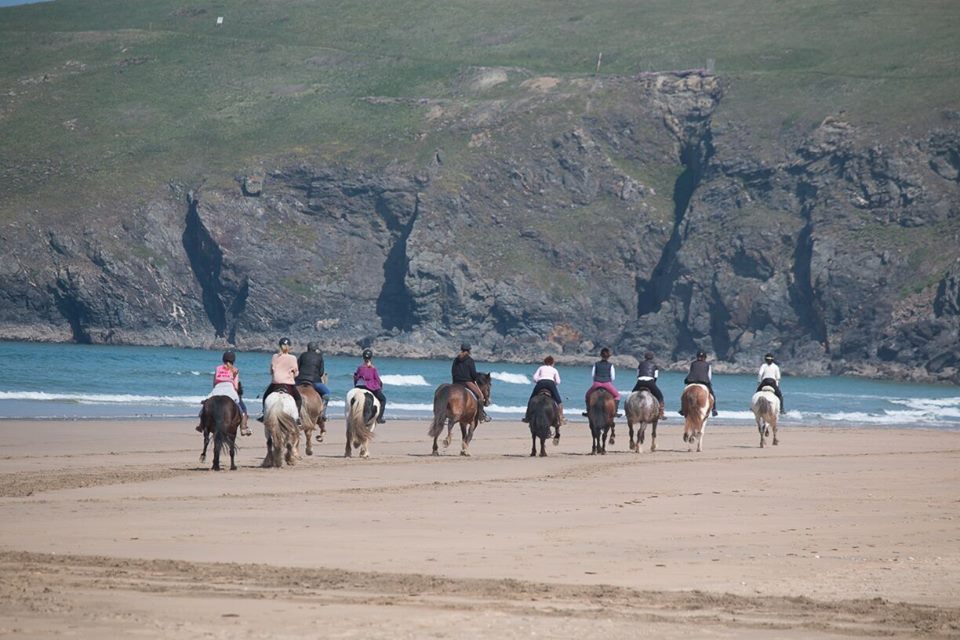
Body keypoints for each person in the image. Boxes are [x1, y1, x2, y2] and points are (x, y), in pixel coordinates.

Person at [196, 350, 251, 436]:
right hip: (229, 389)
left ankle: (201, 425)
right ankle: (243, 427)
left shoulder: (217, 368)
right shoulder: (235, 370)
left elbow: (214, 383)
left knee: (206, 404)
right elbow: (236, 386)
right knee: (242, 408)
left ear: (223, 359)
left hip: (217, 388)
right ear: (233, 360)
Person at [261, 337, 302, 422]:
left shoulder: (274, 356)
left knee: (265, 397)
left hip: (275, 384)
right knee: (298, 399)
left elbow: (271, 371)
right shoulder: (293, 358)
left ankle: (263, 415)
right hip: (289, 385)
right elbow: (296, 373)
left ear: (279, 346)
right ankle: (298, 418)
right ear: (289, 347)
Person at [451, 343, 490, 422]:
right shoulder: (470, 360)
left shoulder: (456, 359)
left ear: (461, 349)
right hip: (466, 382)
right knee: (481, 397)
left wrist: (455, 379)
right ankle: (481, 416)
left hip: (456, 382)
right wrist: (475, 378)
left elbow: (452, 371)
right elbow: (473, 373)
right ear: (469, 351)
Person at [522, 355, 565, 425]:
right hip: (551, 383)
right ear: (552, 363)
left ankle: (527, 417)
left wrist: (538, 381)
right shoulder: (554, 370)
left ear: (545, 362)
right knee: (559, 402)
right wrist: (554, 383)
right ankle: (561, 418)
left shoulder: (541, 368)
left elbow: (534, 378)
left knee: (531, 399)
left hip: (541, 383)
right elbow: (558, 381)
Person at [296, 341, 331, 419]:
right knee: (327, 393)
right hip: (314, 381)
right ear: (315, 349)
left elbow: (297, 368)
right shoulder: (319, 357)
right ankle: (322, 414)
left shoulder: (302, 355)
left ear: (308, 348)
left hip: (300, 380)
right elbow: (321, 373)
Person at [583, 347, 621, 417]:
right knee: (617, 396)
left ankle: (588, 411)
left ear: (601, 355)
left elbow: (593, 375)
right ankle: (615, 411)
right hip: (607, 384)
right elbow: (613, 377)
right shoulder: (610, 365)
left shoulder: (596, 364)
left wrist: (598, 379)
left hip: (596, 383)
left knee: (587, 395)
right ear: (608, 357)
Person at [680, 350, 718, 417]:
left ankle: (682, 409)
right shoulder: (708, 365)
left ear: (697, 357)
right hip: (703, 382)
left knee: (684, 393)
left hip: (692, 381)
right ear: (705, 358)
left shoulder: (693, 364)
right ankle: (714, 410)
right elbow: (709, 376)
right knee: (712, 395)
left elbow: (690, 373)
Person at [353, 348, 386, 423]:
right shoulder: (373, 368)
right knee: (383, 399)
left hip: (358, 386)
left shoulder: (360, 368)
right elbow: (377, 379)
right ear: (371, 358)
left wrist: (355, 386)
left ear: (363, 358)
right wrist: (380, 386)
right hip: (369, 387)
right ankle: (379, 418)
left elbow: (355, 378)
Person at [632, 351, 666, 420]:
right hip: (650, 382)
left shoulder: (640, 364)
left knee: (632, 395)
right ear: (652, 357)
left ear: (645, 357)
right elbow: (655, 377)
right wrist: (652, 385)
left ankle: (631, 411)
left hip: (640, 381)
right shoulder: (655, 365)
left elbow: (637, 375)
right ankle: (661, 413)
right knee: (660, 396)